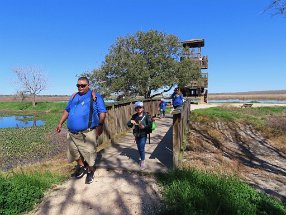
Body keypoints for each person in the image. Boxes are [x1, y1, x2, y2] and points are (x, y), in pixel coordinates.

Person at [56, 77, 106, 184]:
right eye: (78, 85)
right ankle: (82, 166)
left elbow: (102, 112)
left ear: (88, 85)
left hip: (87, 132)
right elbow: (67, 110)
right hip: (71, 132)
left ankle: (90, 171)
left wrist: (100, 125)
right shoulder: (74, 96)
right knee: (74, 152)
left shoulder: (95, 96)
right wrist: (60, 123)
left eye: (83, 85)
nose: (80, 87)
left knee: (90, 154)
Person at [127, 101, 152, 169]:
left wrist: (144, 127)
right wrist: (130, 122)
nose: (139, 109)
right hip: (137, 134)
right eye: (137, 108)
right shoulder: (134, 116)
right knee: (139, 147)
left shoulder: (146, 116)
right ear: (135, 109)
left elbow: (150, 125)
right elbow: (129, 125)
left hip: (143, 134)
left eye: (140, 107)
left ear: (143, 108)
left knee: (141, 147)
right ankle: (142, 156)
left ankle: (142, 161)